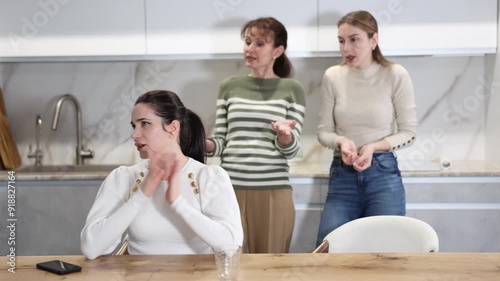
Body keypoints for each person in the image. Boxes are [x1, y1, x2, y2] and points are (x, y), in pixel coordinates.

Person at [81, 90, 243, 259]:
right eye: (133, 125)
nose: (134, 134)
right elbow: (91, 248)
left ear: (172, 128)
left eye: (144, 123)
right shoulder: (124, 178)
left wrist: (178, 203)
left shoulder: (208, 177)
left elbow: (231, 245)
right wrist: (141, 195)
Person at [316, 10, 418, 245]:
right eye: (341, 41)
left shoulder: (395, 74)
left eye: (354, 39)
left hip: (383, 176)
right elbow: (323, 132)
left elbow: (409, 132)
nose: (346, 48)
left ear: (374, 40)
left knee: (386, 251)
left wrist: (373, 146)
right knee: (328, 250)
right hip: (343, 174)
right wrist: (342, 142)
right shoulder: (333, 76)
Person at [205, 17, 306, 253]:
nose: (250, 49)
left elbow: (292, 149)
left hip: (273, 191)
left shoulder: (292, 89)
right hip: (229, 190)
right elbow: (220, 142)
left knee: (270, 269)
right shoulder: (229, 86)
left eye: (259, 43)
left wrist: (284, 136)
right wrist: (198, 140)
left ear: (277, 51)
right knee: (229, 262)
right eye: (248, 42)